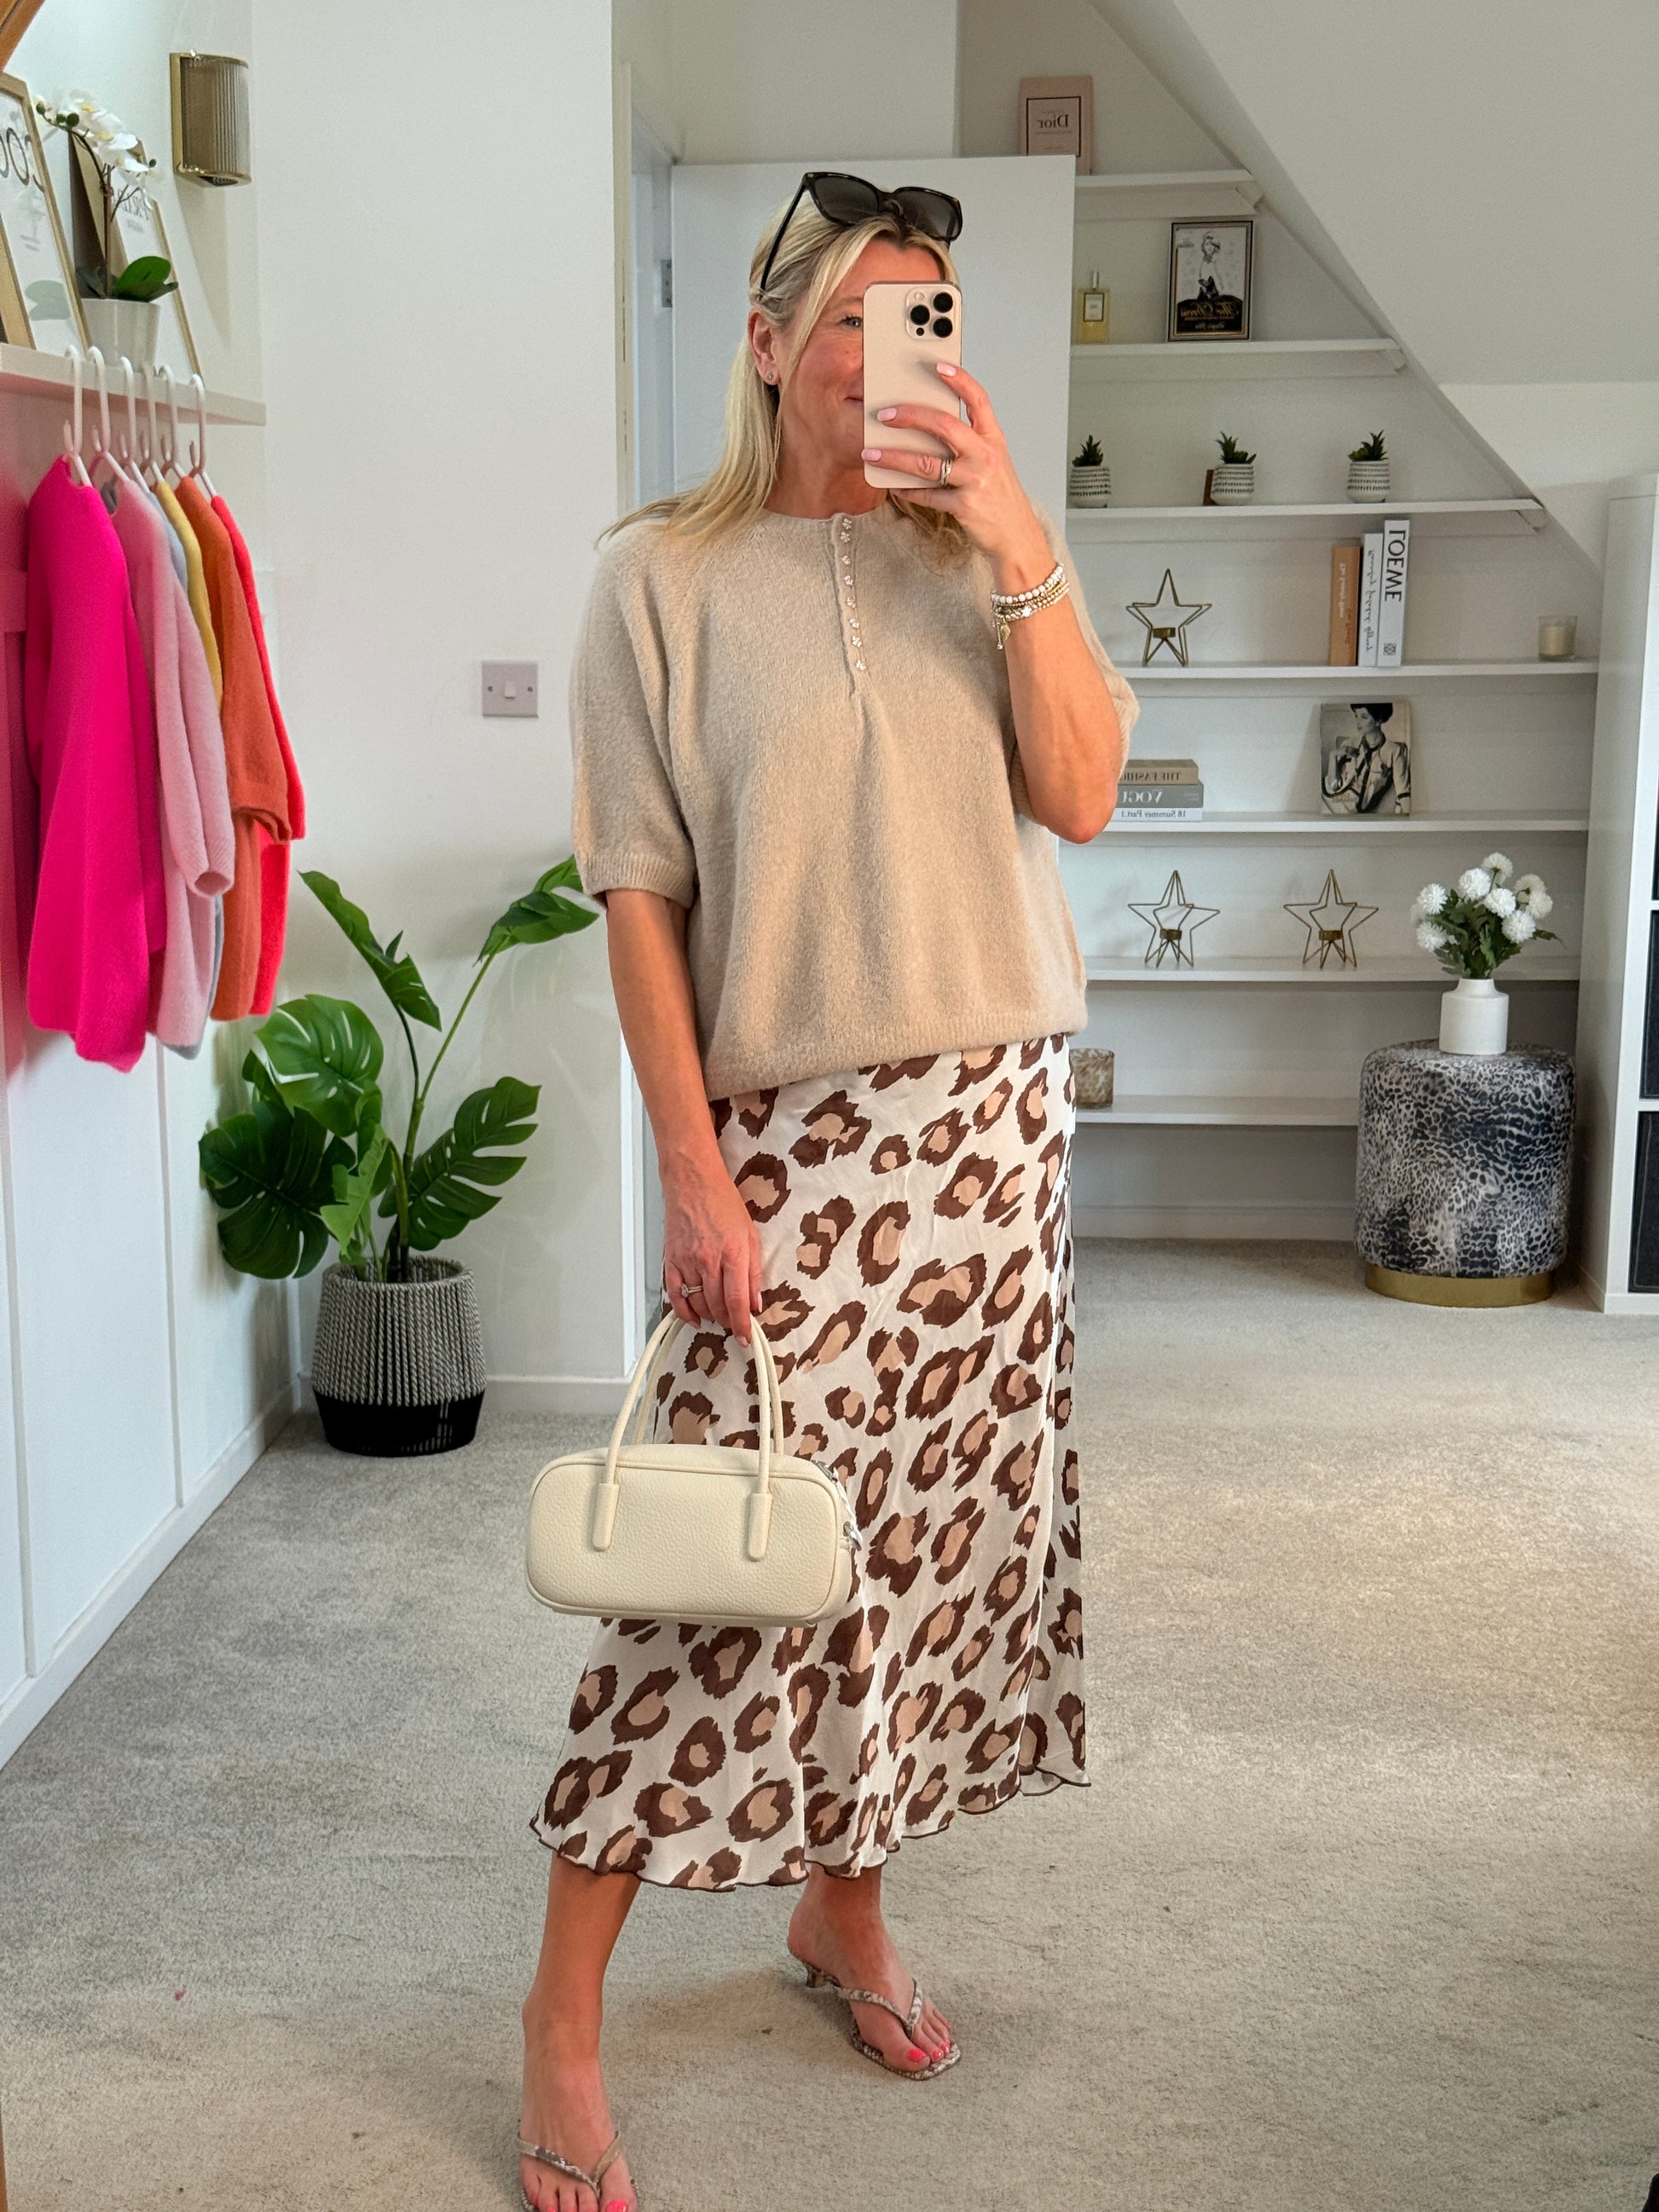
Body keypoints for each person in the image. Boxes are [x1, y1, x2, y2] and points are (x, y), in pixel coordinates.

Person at [517, 172, 1138, 2212]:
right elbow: (636, 889)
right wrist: (693, 1168)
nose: (889, 356)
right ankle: (561, 2013)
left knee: (926, 1563)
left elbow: (1082, 792)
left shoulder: (990, 562)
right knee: (706, 1585)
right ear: (770, 340)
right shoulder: (657, 579)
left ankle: (840, 1902)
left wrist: (1019, 539)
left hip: (994, 1135)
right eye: (854, 317)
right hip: (790, 1146)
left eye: (927, 316)